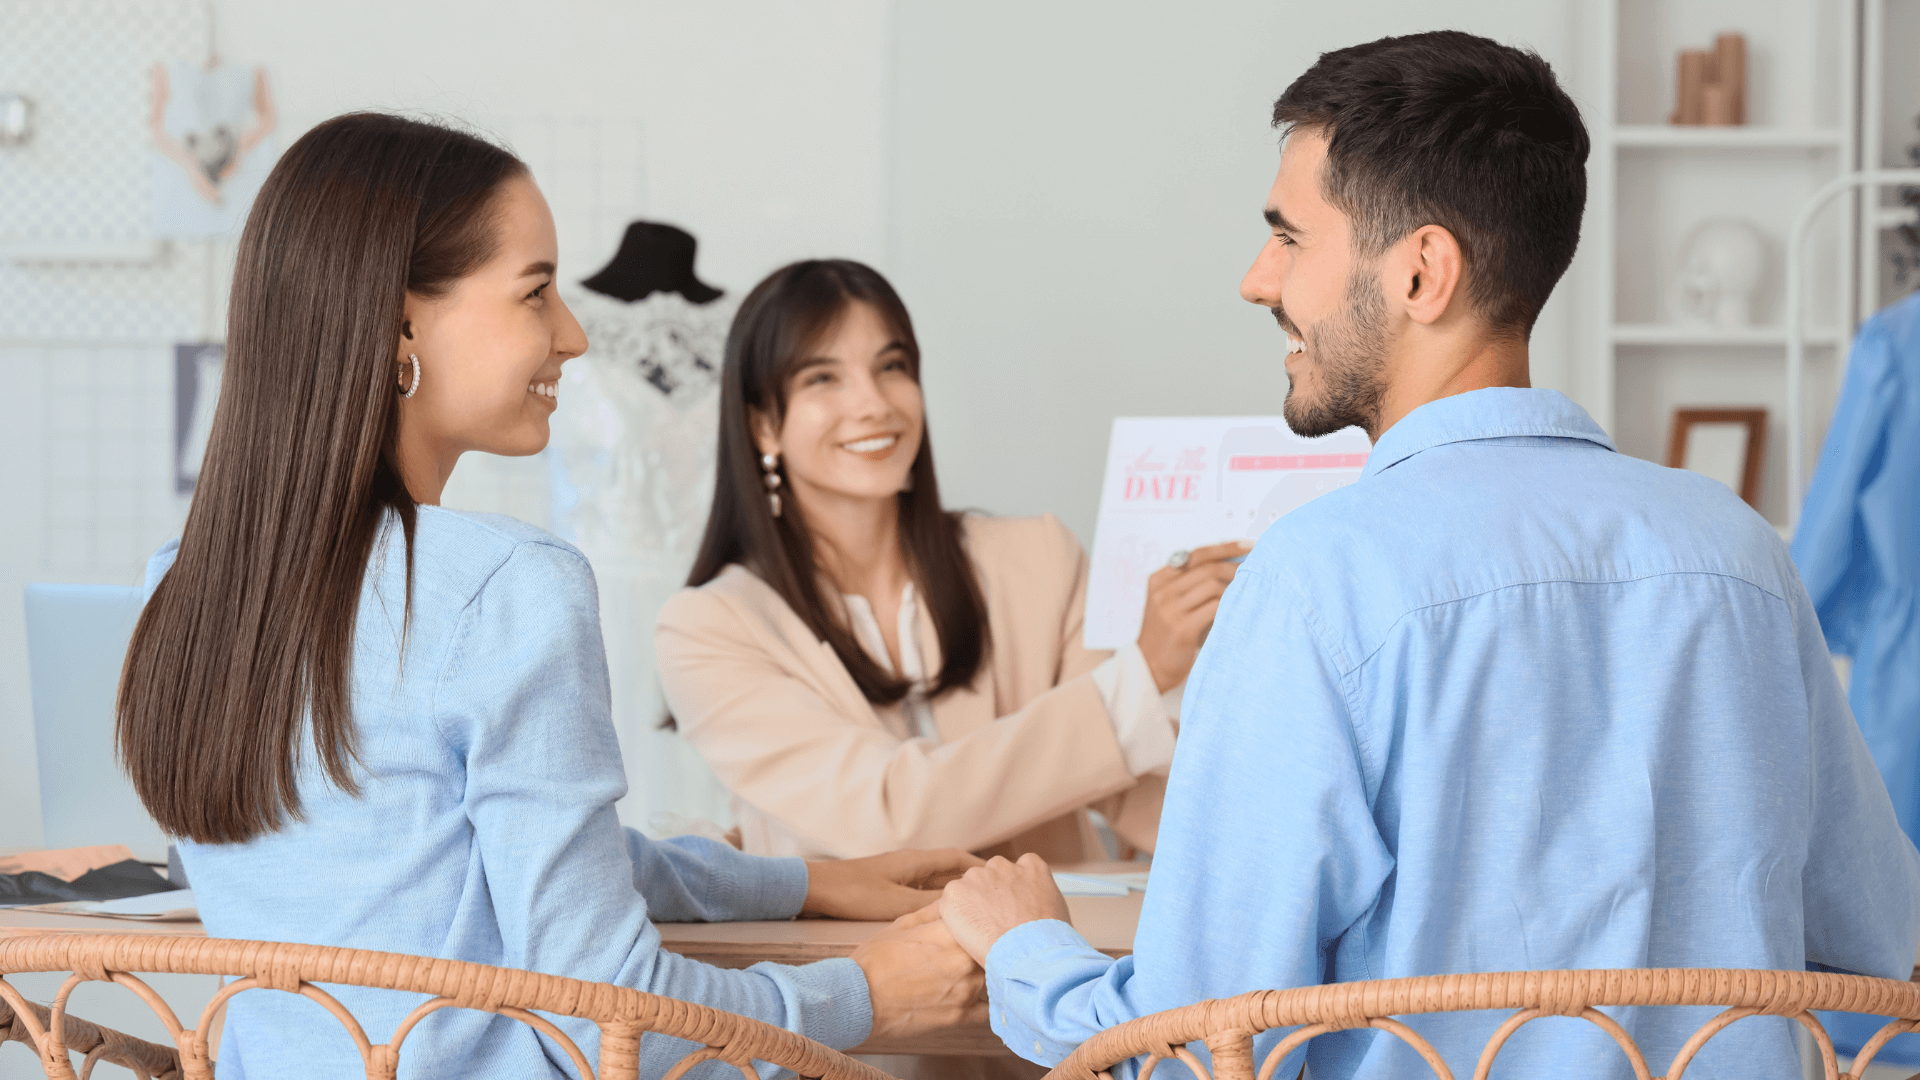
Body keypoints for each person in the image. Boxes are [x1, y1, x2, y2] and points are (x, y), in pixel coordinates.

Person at [937, 30, 1920, 1080]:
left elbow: (1193, 1050)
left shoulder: (1317, 581)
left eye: (1289, 238)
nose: (1256, 278)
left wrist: (1024, 948)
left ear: (1421, 271)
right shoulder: (1740, 557)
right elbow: (1883, 952)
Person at [116, 113, 983, 1080]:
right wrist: (867, 994)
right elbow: (614, 1017)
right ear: (402, 320)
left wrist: (799, 882)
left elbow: (455, 855)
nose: (571, 334)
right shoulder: (510, 588)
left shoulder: (187, 582)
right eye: (536, 293)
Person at [654, 259, 1242, 862]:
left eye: (892, 367)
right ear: (762, 426)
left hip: (1053, 949)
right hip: (853, 958)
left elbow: (1141, 795)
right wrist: (1140, 676)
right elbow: (886, 817)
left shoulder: (1038, 560)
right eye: (823, 379)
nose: (874, 403)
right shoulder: (708, 630)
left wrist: (1205, 668)